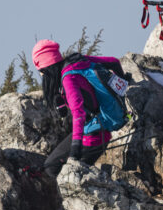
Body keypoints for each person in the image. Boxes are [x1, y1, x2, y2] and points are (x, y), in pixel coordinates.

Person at [31, 40, 125, 176]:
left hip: (93, 137)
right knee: (51, 164)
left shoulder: (68, 79)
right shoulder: (78, 62)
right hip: (98, 128)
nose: (41, 76)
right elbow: (114, 62)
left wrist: (75, 147)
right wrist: (123, 81)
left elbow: (78, 113)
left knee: (53, 170)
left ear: (46, 69)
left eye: (41, 72)